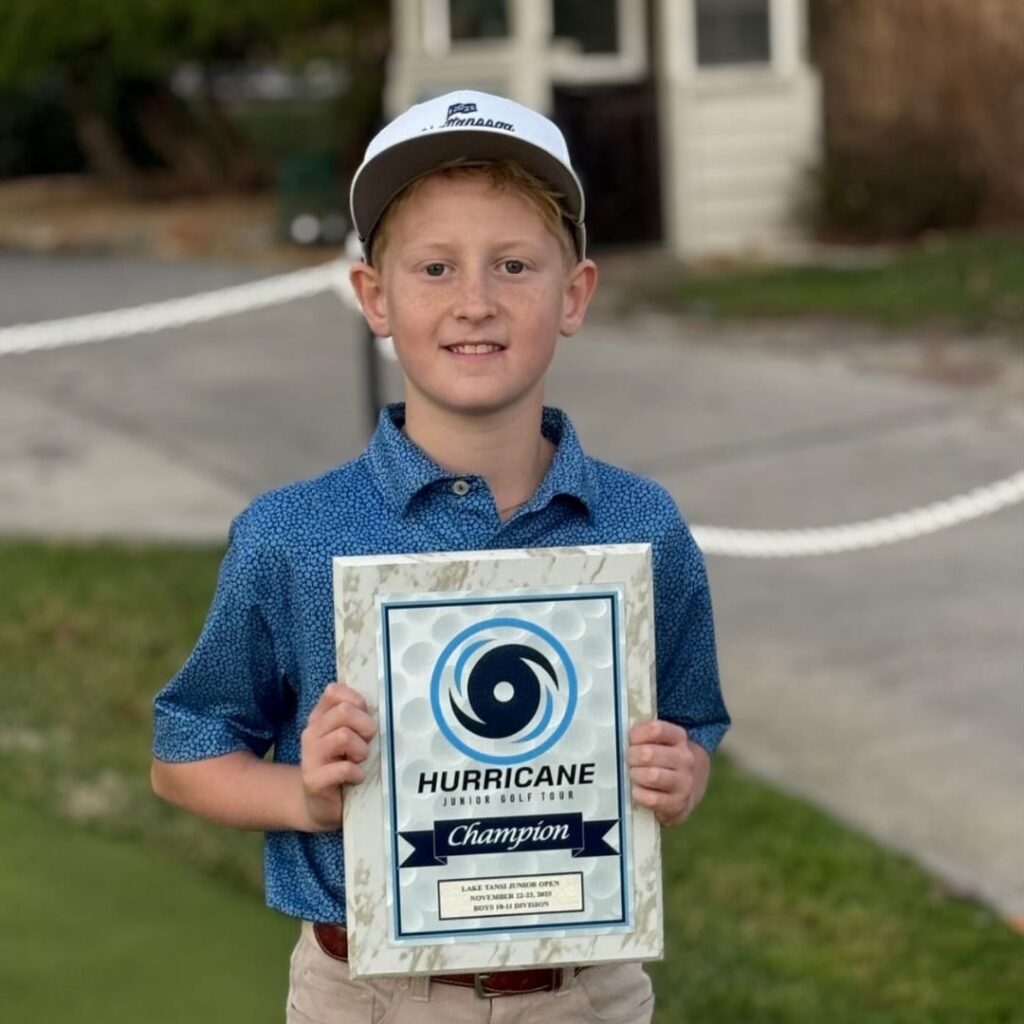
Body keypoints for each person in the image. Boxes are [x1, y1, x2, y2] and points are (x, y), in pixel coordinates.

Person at [151, 89, 730, 1024]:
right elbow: (185, 753)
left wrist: (682, 772)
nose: (475, 302)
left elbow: (692, 719)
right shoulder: (291, 534)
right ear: (375, 298)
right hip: (364, 994)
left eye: (513, 265)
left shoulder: (642, 525)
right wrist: (306, 795)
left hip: (584, 995)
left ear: (573, 293)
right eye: (433, 267)